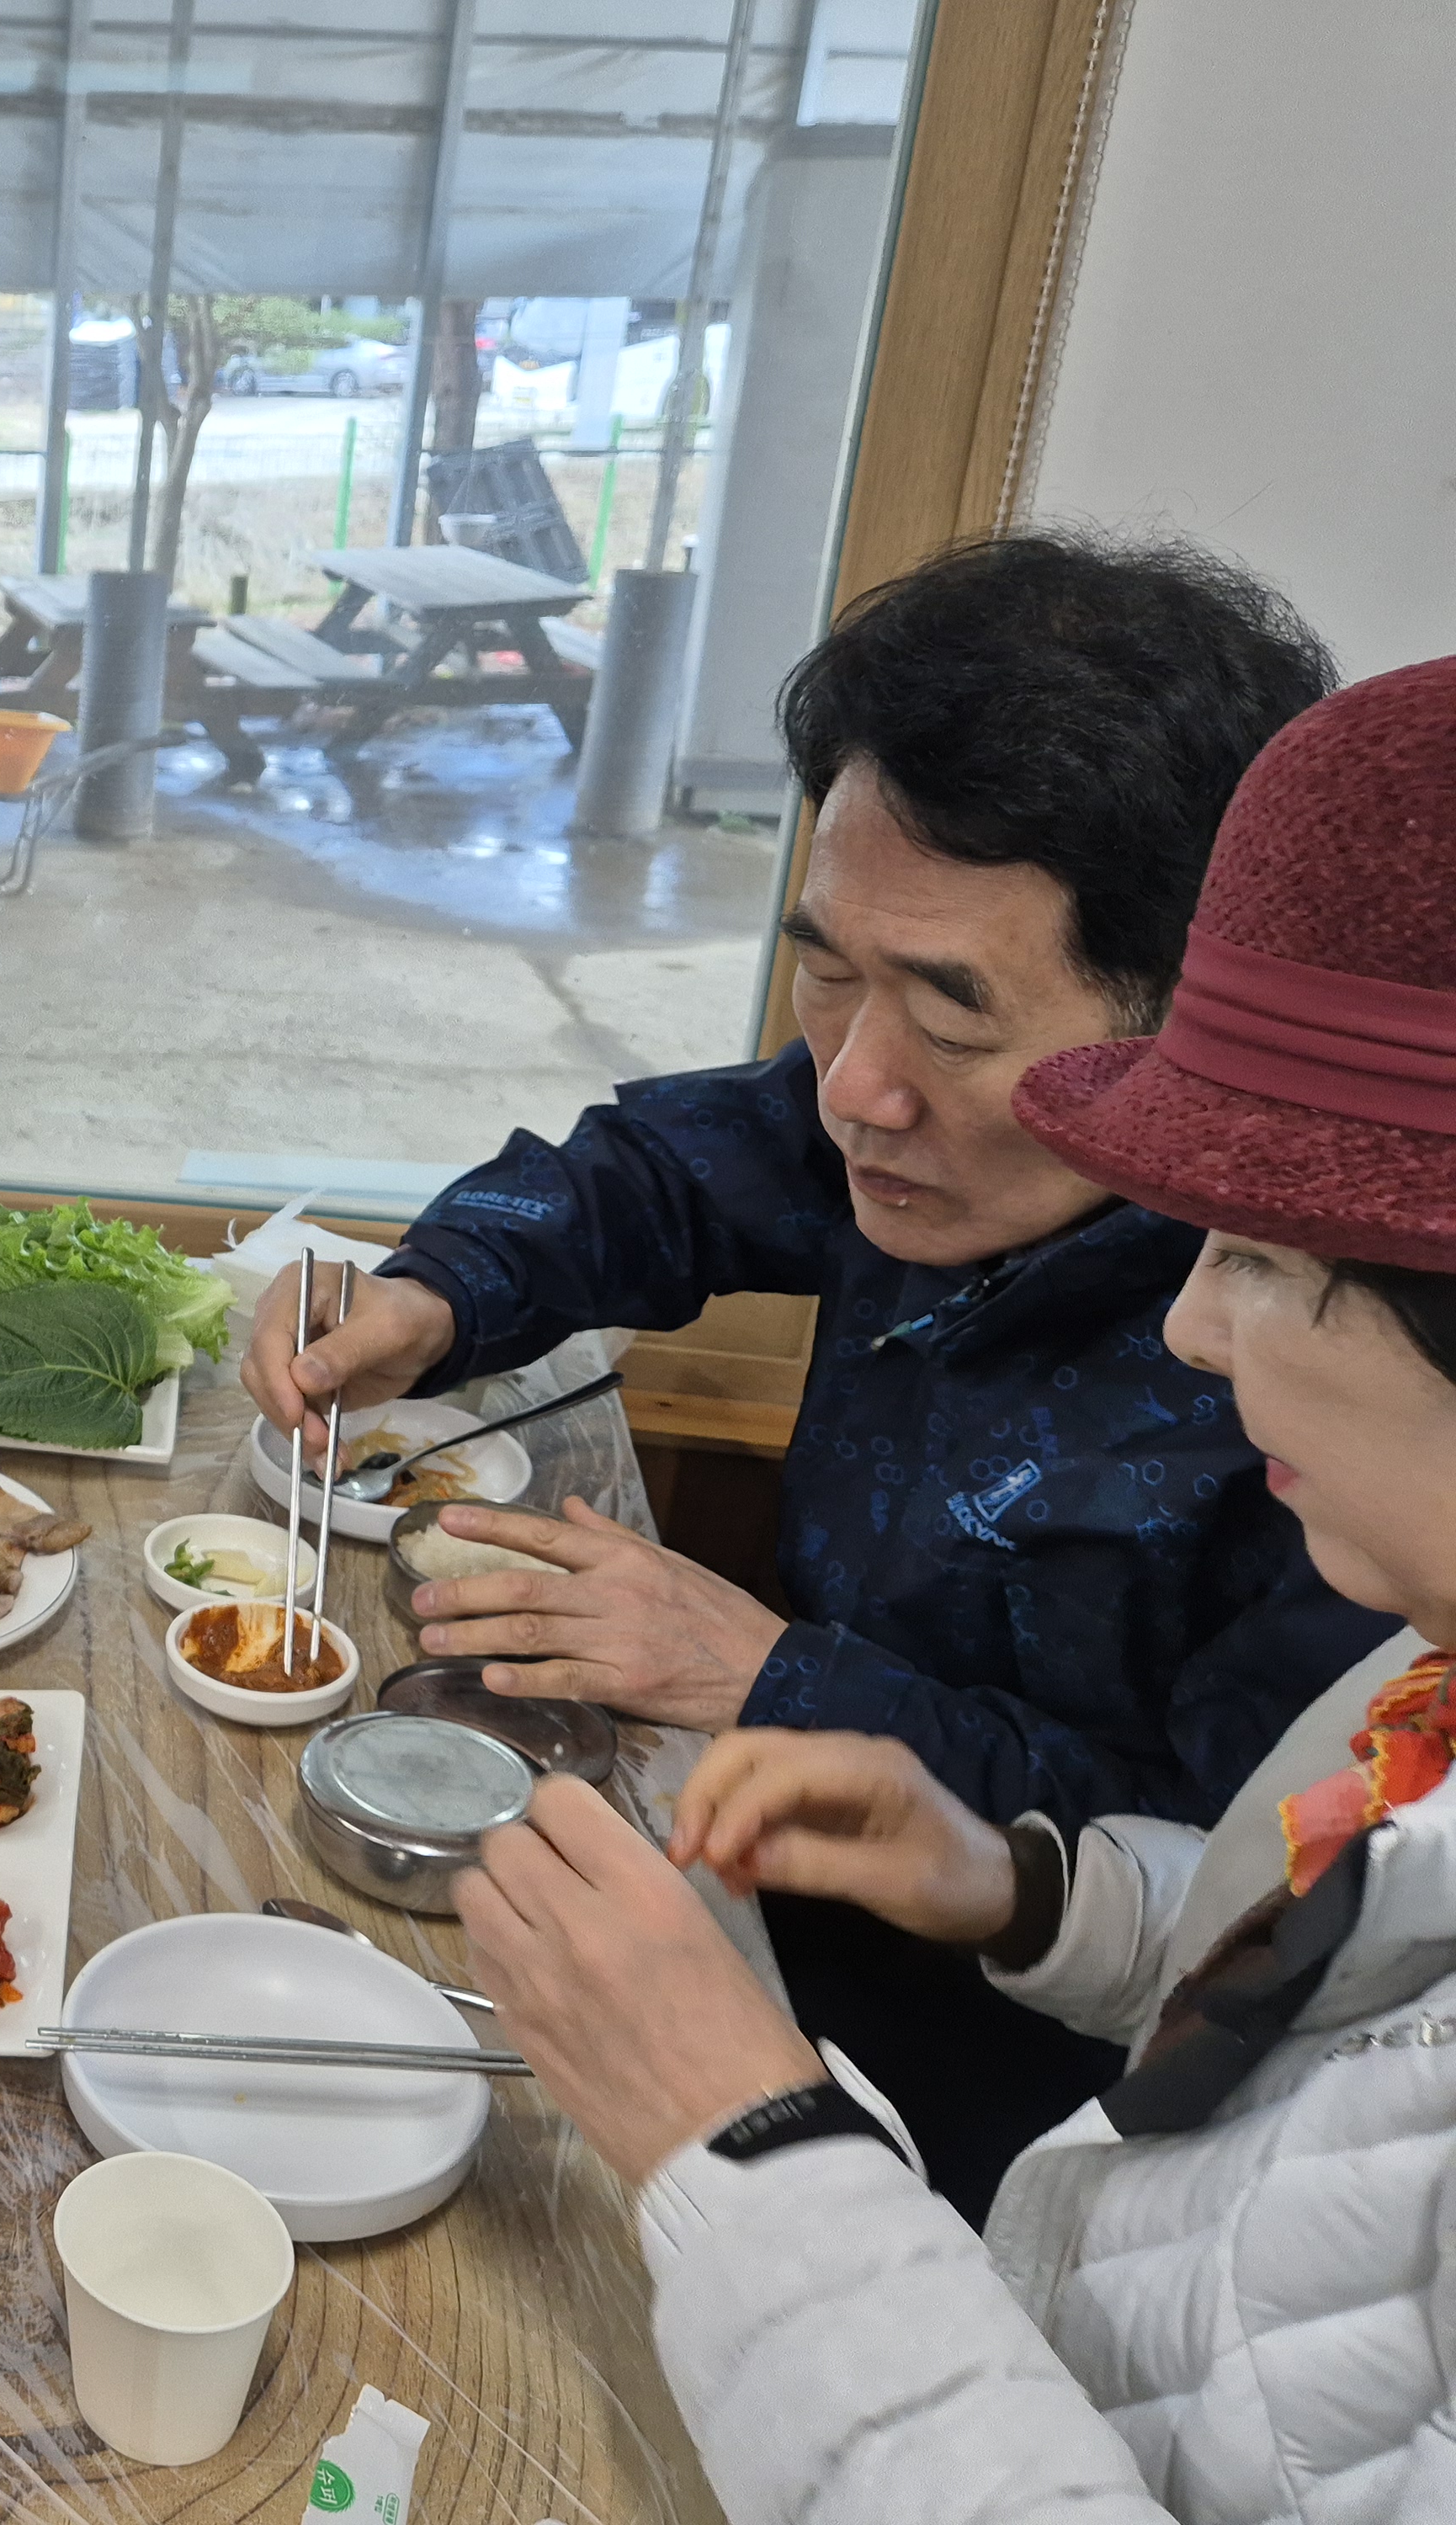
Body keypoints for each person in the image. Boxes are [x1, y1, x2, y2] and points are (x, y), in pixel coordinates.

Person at [242, 533, 1397, 2218]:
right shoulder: (887, 1117)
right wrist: (435, 1289)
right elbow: (655, 1172)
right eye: (826, 967)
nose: (855, 1086)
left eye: (949, 1014)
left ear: (1184, 1016)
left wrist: (780, 1675)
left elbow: (1210, 1888)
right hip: (734, 1896)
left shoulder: (1316, 1382)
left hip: (1002, 2128)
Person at [459, 652, 1456, 2525]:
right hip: (980, 2269)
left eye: (1256, 1253)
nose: (1192, 1319)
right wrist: (1015, 1880)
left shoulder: (1335, 1555)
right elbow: (1294, 1950)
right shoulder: (1423, 1670)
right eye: (830, 970)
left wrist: (742, 2148)